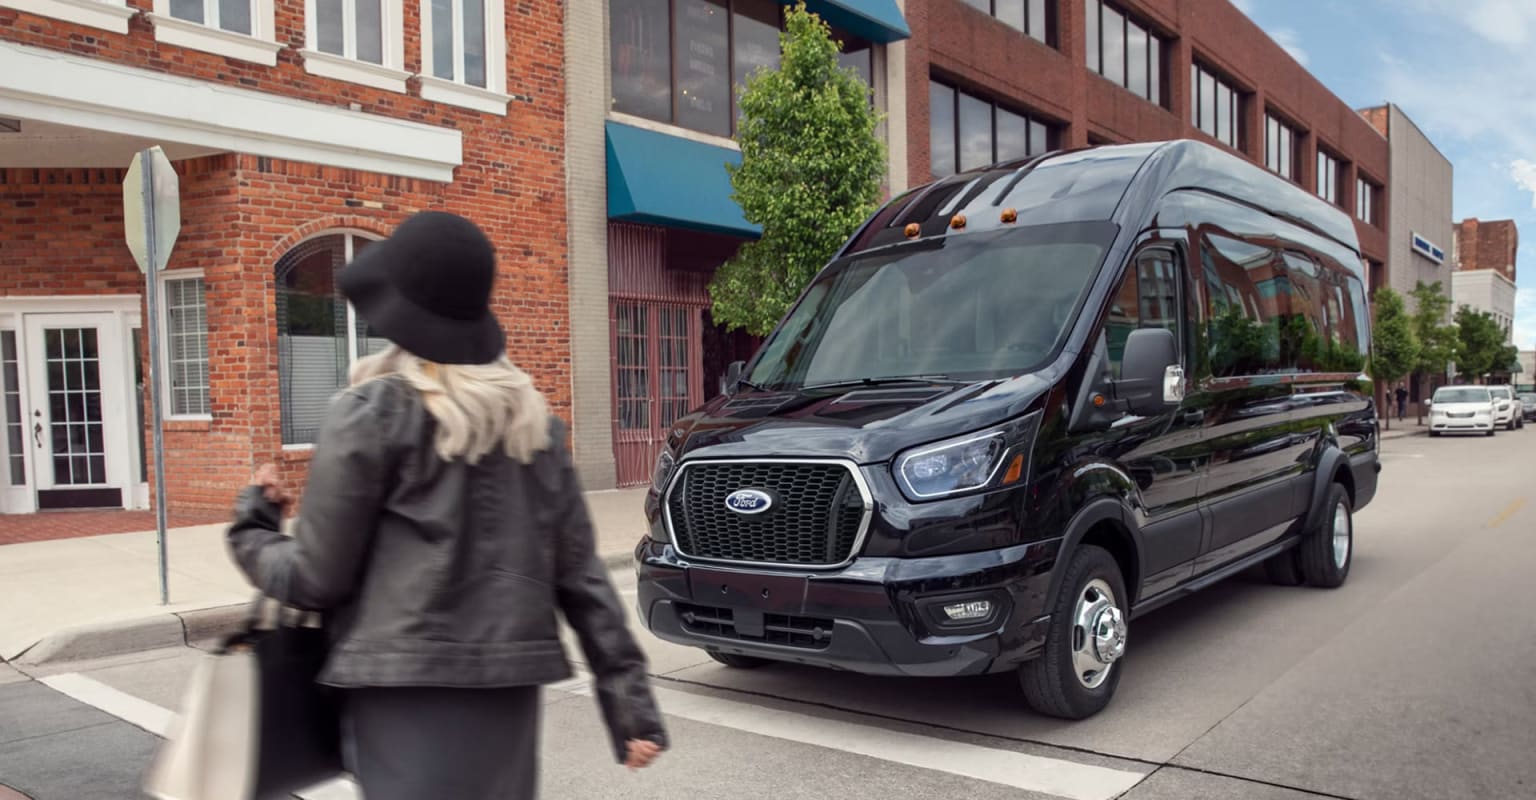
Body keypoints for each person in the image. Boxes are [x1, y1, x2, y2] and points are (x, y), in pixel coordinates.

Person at [226, 211, 666, 799]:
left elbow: (313, 578)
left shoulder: (370, 415)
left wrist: (253, 526)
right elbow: (582, 578)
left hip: (402, 696)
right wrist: (630, 706)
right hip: (509, 697)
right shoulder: (534, 429)